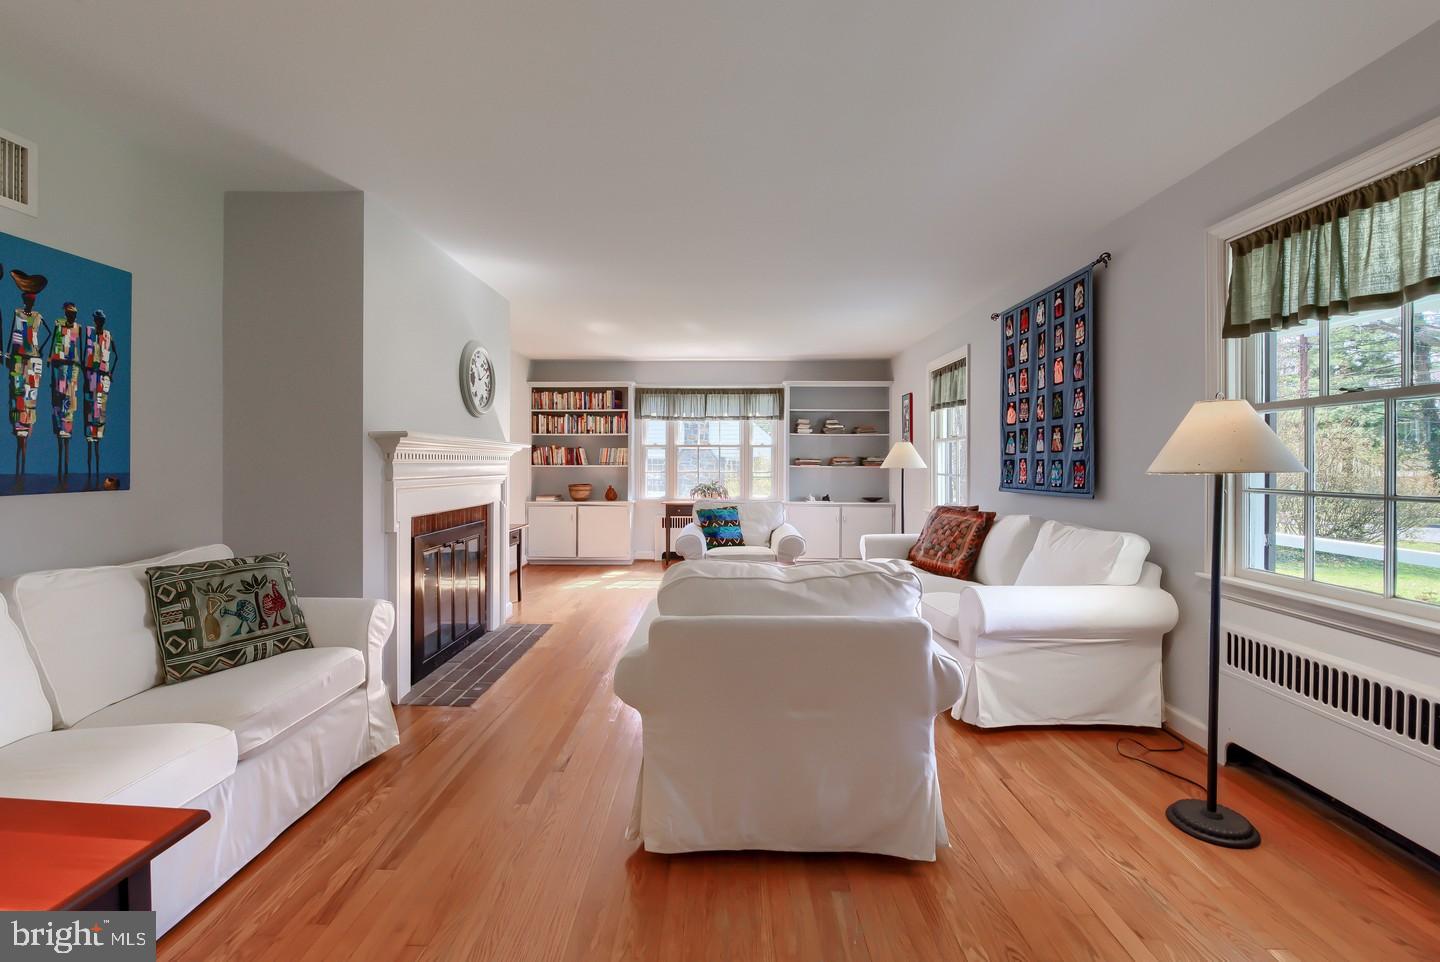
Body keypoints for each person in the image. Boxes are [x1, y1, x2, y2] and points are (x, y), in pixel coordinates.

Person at [5, 269, 50, 481]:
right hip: (18, 359)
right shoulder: (18, 313)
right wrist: (7, 353)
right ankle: (20, 445)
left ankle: (24, 449)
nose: (28, 304)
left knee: (29, 401)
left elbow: (48, 333)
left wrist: (39, 350)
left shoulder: (38, 317)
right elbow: (13, 335)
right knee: (17, 397)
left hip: (32, 360)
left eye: (30, 300)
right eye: (27, 300)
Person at [83, 309, 120, 482]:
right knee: (89, 415)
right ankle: (91, 469)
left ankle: (96, 468)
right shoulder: (89, 333)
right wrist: (85, 376)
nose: (99, 322)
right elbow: (85, 358)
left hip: (102, 379)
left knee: (100, 414)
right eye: (97, 319)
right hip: (91, 377)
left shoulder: (107, 335)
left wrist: (110, 373)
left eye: (101, 320)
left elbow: (117, 356)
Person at [49, 302, 83, 482]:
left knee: (70, 403)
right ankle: (61, 437)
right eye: (70, 313)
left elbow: (80, 350)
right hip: (60, 367)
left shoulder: (78, 328)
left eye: (74, 314)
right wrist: (51, 358)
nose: (72, 316)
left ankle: (67, 461)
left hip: (73, 370)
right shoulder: (59, 324)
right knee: (59, 401)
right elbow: (55, 342)